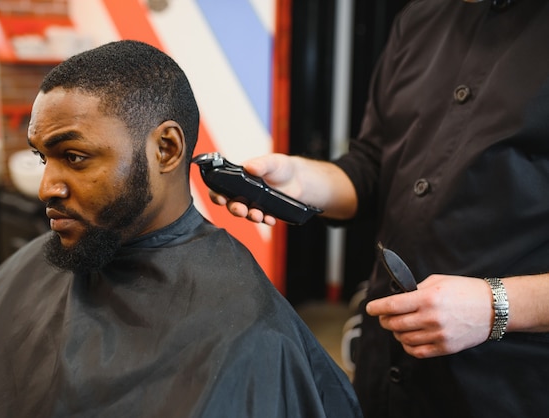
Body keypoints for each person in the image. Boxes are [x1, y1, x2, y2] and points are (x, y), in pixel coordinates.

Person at [0, 40, 362, 418]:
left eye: (74, 157)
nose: (46, 188)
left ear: (166, 149)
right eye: (43, 158)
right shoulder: (42, 262)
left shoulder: (252, 333)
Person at [209, 1, 549, 417]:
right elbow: (371, 165)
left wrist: (495, 305)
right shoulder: (421, 19)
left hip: (509, 385)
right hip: (386, 374)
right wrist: (300, 181)